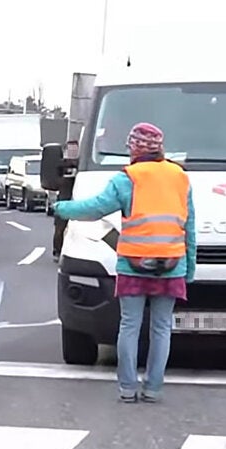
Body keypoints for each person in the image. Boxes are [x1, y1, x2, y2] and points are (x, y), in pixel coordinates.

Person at [51, 123, 196, 403]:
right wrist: (190, 266)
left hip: (134, 263)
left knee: (130, 325)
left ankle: (128, 389)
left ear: (134, 148)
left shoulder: (127, 178)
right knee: (162, 327)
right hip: (171, 264)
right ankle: (153, 389)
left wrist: (62, 208)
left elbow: (94, 209)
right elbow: (190, 227)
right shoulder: (180, 177)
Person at [52, 140, 79, 262]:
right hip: (64, 199)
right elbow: (53, 179)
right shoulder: (59, 165)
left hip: (80, 199)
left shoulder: (83, 165)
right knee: (60, 228)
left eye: (75, 150)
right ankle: (57, 250)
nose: (73, 152)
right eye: (70, 150)